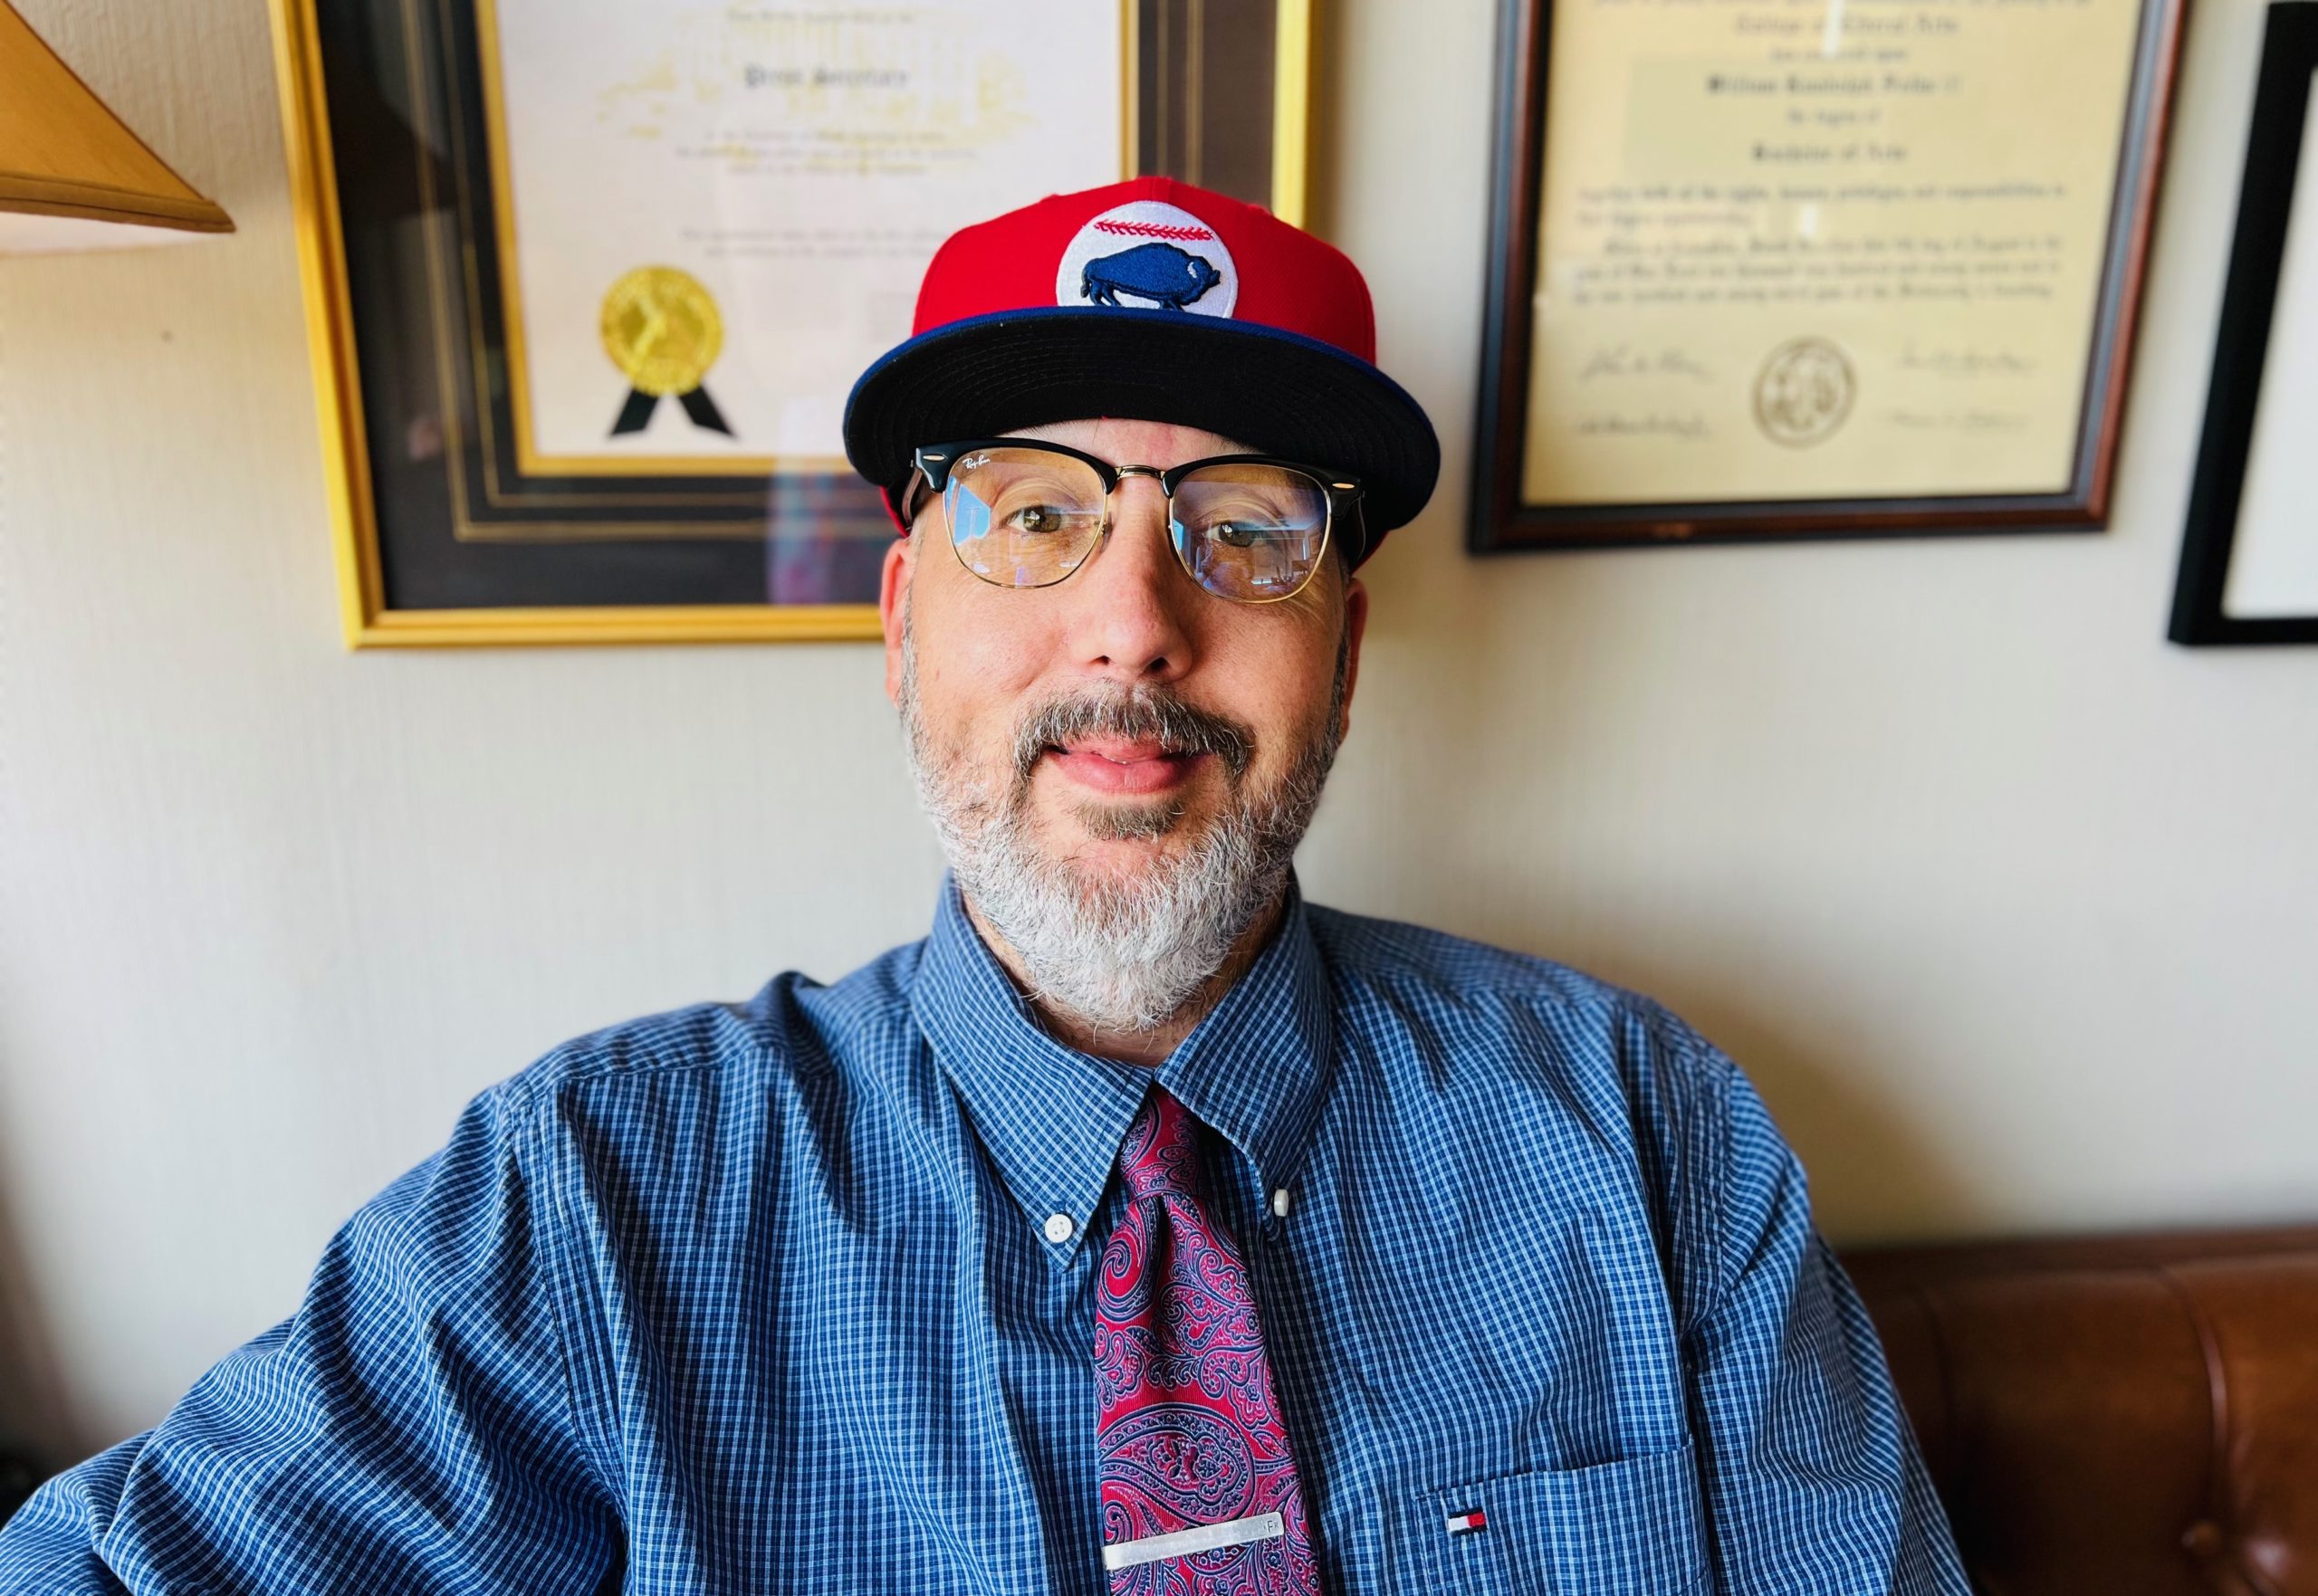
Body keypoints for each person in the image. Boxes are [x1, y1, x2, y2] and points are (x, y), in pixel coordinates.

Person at [0, 177, 1966, 1595]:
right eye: (1033, 515)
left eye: (1247, 530)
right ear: (898, 621)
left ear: (1345, 650)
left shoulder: (1646, 1137)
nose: (1135, 621)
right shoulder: (589, 1213)